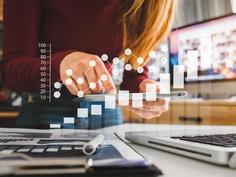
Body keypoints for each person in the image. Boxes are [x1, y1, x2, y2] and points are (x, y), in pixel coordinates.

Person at [0, 0, 177, 129]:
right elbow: (10, 70)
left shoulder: (148, 4)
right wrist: (60, 65)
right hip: (46, 108)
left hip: (106, 111)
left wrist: (143, 88)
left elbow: (134, 73)